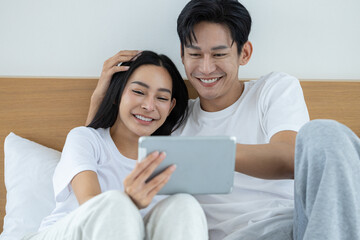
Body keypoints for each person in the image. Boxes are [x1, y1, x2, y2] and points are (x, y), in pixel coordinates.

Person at [87, 1, 360, 240]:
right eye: (195, 55)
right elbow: (102, 160)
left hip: (299, 227)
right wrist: (100, 96)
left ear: (244, 53)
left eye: (218, 54)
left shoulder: (273, 90)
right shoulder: (171, 120)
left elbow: (293, 158)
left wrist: (212, 153)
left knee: (326, 133)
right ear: (182, 54)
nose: (206, 68)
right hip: (230, 236)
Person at [24, 51, 208, 240]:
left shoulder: (169, 162)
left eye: (161, 98)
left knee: (185, 204)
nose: (149, 106)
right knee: (114, 203)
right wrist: (129, 200)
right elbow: (91, 206)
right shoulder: (85, 139)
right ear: (117, 94)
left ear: (170, 107)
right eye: (138, 92)